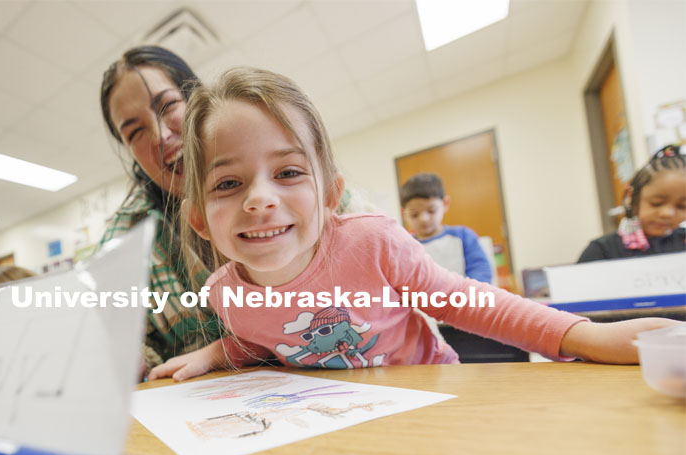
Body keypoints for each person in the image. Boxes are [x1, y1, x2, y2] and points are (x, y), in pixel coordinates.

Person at [148, 67, 675, 381]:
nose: (260, 200)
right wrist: (213, 353)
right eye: (227, 184)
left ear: (331, 193)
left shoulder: (372, 242)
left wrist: (582, 336)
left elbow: (468, 300)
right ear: (199, 218)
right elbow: (254, 339)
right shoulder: (224, 293)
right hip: (339, 420)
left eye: (287, 172)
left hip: (435, 389)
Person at [98, 46, 363, 371]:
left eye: (167, 106)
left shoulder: (306, 192)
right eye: (135, 131)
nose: (160, 134)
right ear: (197, 221)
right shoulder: (126, 237)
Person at [578, 145, 685, 262]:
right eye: (656, 203)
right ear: (630, 196)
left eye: (682, 206)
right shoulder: (602, 250)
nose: (667, 213)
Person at [400, 173, 493, 283]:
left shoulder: (463, 236)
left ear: (445, 203)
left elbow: (481, 272)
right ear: (404, 213)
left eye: (431, 211)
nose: (423, 219)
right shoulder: (405, 246)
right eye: (414, 214)